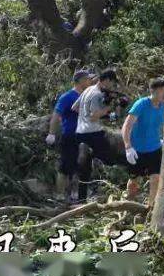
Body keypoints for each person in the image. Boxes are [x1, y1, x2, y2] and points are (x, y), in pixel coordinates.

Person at [74, 68, 125, 201]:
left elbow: (74, 107)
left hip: (80, 133)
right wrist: (109, 109)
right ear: (107, 80)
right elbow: (93, 116)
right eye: (112, 83)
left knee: (84, 168)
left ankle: (81, 199)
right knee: (114, 159)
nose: (112, 87)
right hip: (94, 134)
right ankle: (114, 190)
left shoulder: (87, 90)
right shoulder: (97, 94)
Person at [45, 70, 94, 201]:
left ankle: (75, 193)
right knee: (65, 166)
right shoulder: (67, 97)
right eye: (88, 79)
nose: (90, 82)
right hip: (70, 136)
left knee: (81, 166)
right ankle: (59, 195)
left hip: (85, 138)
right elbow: (56, 115)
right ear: (81, 81)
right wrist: (51, 133)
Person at [123, 77, 164, 204]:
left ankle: (150, 206)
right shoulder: (141, 104)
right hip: (137, 149)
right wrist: (128, 147)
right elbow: (127, 125)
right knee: (134, 181)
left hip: (155, 147)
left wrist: (163, 139)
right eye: (162, 91)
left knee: (156, 178)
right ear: (153, 91)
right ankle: (129, 202)